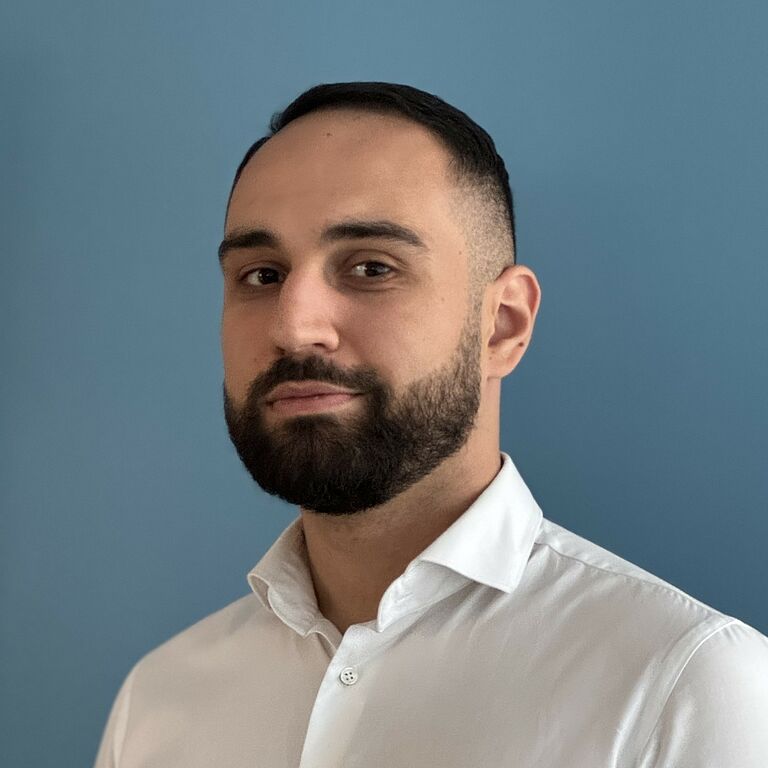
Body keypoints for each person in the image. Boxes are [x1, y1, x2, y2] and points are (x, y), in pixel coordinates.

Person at [94, 82, 768, 768]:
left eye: (371, 267)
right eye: (262, 275)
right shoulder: (157, 703)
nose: (293, 327)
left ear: (502, 325)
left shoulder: (686, 688)